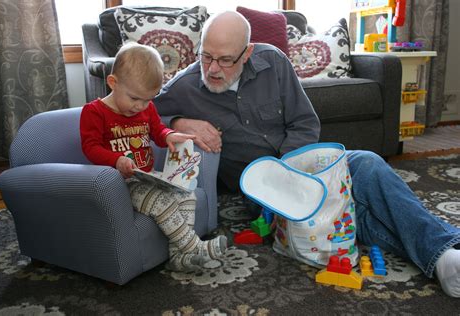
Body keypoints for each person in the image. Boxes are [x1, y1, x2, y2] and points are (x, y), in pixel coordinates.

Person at [154, 11, 460, 297]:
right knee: (344, 213)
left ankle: (443, 254)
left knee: (368, 163)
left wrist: (294, 172)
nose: (213, 69)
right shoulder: (185, 87)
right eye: (206, 56)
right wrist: (180, 122)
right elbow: (142, 115)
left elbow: (304, 122)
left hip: (305, 164)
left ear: (247, 53)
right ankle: (444, 256)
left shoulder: (273, 62)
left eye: (224, 60)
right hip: (263, 191)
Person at [80, 42, 227, 272]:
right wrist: (116, 161)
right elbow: (90, 147)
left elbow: (157, 131)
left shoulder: (145, 109)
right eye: (134, 98)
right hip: (120, 183)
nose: (140, 106)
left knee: (186, 194)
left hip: (147, 176)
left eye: (148, 100)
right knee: (162, 203)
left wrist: (170, 135)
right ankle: (194, 247)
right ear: (112, 83)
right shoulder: (95, 112)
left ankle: (180, 258)